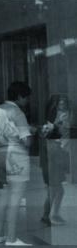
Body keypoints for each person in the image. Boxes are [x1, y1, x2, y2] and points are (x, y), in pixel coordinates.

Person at [0, 81, 34, 246]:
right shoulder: (17, 112)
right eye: (26, 98)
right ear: (20, 96)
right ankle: (12, 238)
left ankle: (0, 234)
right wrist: (32, 133)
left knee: (5, 195)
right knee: (15, 197)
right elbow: (26, 141)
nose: (27, 101)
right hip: (15, 156)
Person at [41, 94, 72, 226]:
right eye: (60, 104)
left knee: (57, 189)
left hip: (57, 156)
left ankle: (50, 214)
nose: (62, 106)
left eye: (64, 103)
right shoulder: (52, 124)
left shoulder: (65, 118)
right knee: (55, 189)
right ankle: (49, 215)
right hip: (54, 157)